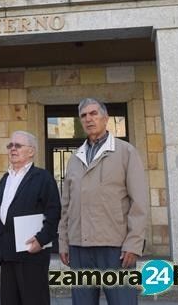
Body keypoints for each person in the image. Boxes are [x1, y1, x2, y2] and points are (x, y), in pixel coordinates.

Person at [58, 98, 149, 305]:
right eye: (83, 115)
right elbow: (66, 206)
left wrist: (134, 243)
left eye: (93, 114)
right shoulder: (74, 159)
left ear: (105, 118)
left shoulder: (125, 152)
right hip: (79, 247)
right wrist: (63, 242)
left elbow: (139, 202)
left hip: (114, 248)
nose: (88, 119)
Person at [0, 130, 60, 305]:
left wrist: (41, 240)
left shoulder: (43, 178)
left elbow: (54, 212)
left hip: (32, 255)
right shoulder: (5, 179)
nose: (12, 149)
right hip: (7, 255)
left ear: (31, 151)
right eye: (10, 145)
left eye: (18, 145)